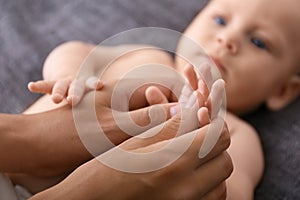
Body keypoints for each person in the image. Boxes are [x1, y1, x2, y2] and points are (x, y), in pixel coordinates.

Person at [3, 0, 300, 198]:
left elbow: (232, 191)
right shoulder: (146, 56)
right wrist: (72, 78)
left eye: (259, 42)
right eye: (220, 20)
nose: (227, 39)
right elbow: (74, 50)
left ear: (281, 91)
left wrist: (200, 150)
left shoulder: (233, 133)